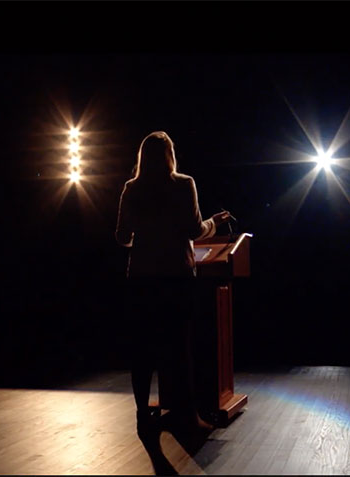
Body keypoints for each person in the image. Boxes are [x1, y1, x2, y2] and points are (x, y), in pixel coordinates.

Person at [115, 131, 231, 445]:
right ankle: (186, 418)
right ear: (170, 156)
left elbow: (121, 237)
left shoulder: (131, 188)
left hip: (140, 280)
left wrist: (144, 235)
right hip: (175, 278)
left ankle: (143, 415)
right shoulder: (183, 184)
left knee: (141, 351)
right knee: (178, 350)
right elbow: (195, 229)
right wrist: (214, 223)